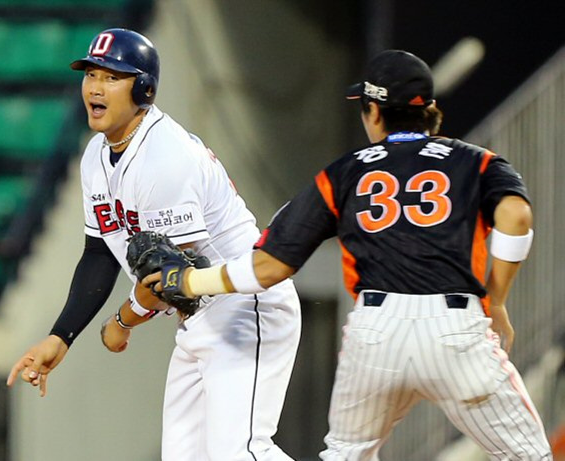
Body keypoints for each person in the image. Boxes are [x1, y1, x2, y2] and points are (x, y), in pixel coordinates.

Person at [142, 50, 553, 460]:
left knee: (345, 454)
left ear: (373, 111)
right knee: (530, 456)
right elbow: (516, 217)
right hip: (457, 329)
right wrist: (495, 301)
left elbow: (269, 267)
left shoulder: (345, 171)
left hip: (376, 334)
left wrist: (191, 281)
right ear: (429, 110)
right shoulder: (477, 161)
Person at [6, 28, 301, 461]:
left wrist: (123, 321)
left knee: (240, 453)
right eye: (91, 74)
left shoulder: (165, 157)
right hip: (199, 316)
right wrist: (61, 336)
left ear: (144, 89)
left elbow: (180, 278)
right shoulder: (95, 156)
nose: (95, 86)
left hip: (243, 306)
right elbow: (99, 253)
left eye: (112, 76)